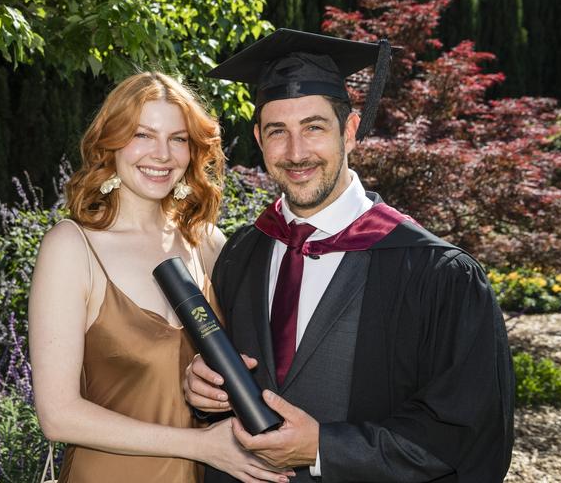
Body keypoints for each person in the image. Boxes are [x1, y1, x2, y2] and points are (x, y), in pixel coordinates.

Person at [184, 29, 514, 482]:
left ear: (351, 131)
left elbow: (467, 433)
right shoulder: (242, 253)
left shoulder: (438, 275)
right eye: (278, 131)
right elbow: (219, 390)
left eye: (314, 127)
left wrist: (323, 449)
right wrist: (202, 392)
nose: (296, 152)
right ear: (259, 138)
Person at [28, 71, 294, 483]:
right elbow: (58, 416)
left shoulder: (206, 243)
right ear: (110, 142)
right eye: (142, 135)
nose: (162, 154)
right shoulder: (72, 247)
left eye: (178, 138)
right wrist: (202, 446)